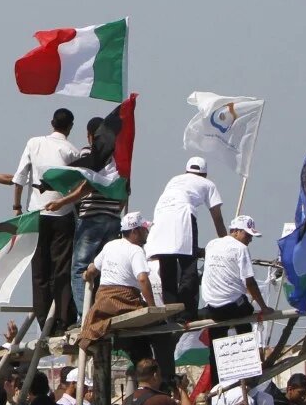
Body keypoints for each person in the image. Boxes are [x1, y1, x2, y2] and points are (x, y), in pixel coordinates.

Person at [0, 108, 82, 329]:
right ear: (70, 127)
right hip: (63, 214)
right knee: (61, 269)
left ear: (51, 123)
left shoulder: (34, 143)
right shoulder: (72, 151)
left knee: (40, 270)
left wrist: (16, 207)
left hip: (36, 215)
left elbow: (17, 179)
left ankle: (43, 320)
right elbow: (76, 186)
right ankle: (63, 319)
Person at [41, 115, 127, 318]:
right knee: (107, 269)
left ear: (90, 136)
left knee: (81, 267)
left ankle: (84, 317)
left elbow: (86, 186)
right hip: (114, 219)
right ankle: (107, 311)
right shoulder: (121, 158)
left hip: (91, 219)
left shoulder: (92, 154)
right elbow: (125, 192)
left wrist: (61, 201)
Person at [148, 157, 227, 309]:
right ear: (204, 174)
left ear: (186, 171)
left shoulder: (174, 180)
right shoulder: (208, 184)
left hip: (160, 215)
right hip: (183, 214)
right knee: (188, 265)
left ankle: (171, 311)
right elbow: (217, 217)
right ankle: (187, 311)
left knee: (167, 266)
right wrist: (226, 243)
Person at [80, 212, 159, 351]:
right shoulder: (136, 250)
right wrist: (152, 308)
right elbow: (142, 279)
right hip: (125, 301)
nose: (147, 232)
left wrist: (86, 275)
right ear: (135, 231)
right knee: (162, 331)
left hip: (103, 303)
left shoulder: (110, 245)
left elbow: (92, 269)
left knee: (136, 343)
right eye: (144, 229)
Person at [199, 215, 270, 336]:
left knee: (217, 331)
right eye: (247, 235)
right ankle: (246, 349)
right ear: (235, 231)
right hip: (232, 308)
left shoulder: (212, 244)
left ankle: (215, 353)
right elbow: (250, 282)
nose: (250, 240)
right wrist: (264, 307)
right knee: (247, 309)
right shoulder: (241, 248)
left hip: (212, 308)